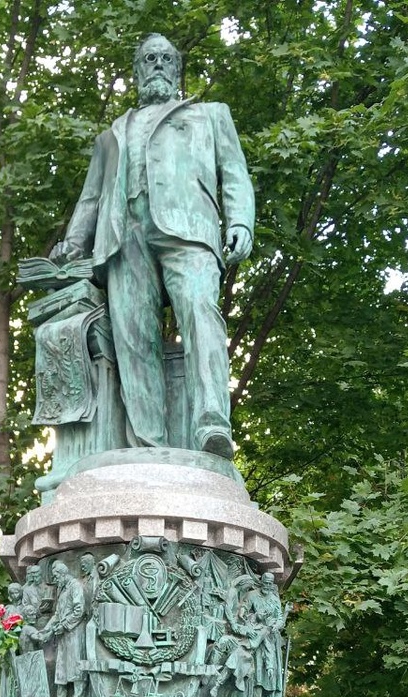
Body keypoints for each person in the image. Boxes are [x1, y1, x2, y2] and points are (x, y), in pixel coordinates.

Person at [51, 33, 254, 460]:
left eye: (165, 59)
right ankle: (148, 444)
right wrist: (72, 244)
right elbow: (91, 198)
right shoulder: (111, 135)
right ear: (137, 71)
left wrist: (239, 222)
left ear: (177, 70)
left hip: (189, 229)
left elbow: (234, 173)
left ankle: (212, 424)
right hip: (124, 236)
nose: (158, 64)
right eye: (149, 59)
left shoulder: (210, 115)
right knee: (133, 337)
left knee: (201, 313)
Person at [30, 561, 88, 697]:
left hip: (74, 632)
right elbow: (57, 614)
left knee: (76, 666)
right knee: (61, 666)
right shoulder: (62, 588)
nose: (55, 580)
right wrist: (46, 630)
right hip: (62, 634)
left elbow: (79, 610)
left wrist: (65, 625)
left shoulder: (75, 586)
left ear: (63, 574)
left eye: (56, 577)